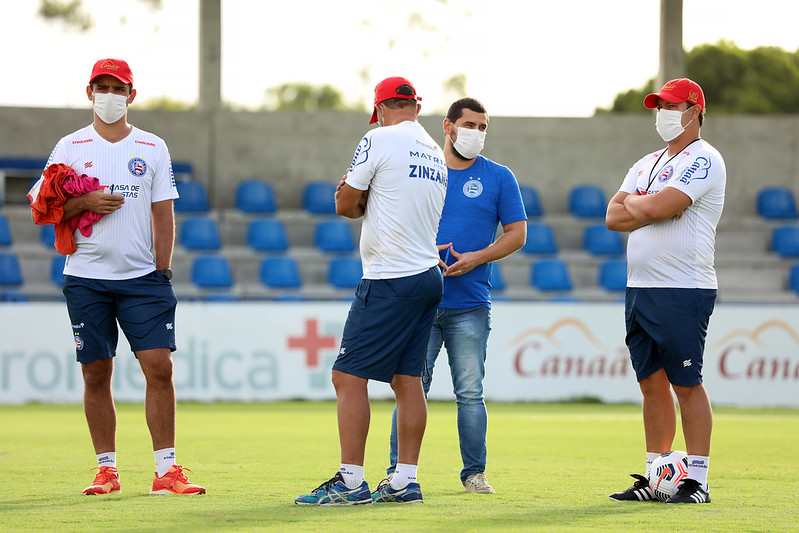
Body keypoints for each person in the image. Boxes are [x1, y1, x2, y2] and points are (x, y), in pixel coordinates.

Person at [28, 59, 205, 496]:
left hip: (143, 278)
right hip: (86, 278)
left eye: (118, 87)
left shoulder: (152, 146)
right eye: (102, 87)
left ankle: (167, 471)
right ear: (90, 92)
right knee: (95, 372)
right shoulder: (70, 145)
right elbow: (41, 209)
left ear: (131, 94)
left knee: (159, 367)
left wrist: (162, 271)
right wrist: (83, 200)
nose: (110, 95)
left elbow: (164, 213)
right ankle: (106, 470)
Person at [295, 76, 446, 506]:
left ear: (380, 109)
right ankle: (404, 481)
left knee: (346, 376)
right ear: (415, 106)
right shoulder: (435, 152)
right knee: (407, 380)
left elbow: (345, 205)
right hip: (426, 275)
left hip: (388, 276)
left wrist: (351, 192)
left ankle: (351, 482)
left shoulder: (378, 139)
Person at [380, 97, 527, 494]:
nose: (476, 133)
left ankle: (474, 474)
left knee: (470, 392)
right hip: (420, 302)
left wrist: (477, 258)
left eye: (483, 127)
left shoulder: (499, 177)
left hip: (471, 304)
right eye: (469, 125)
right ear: (447, 126)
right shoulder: (422, 172)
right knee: (411, 386)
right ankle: (399, 473)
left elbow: (517, 234)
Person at [606, 78, 725, 504]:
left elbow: (652, 208)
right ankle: (658, 477)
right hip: (640, 287)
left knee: (686, 383)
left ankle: (697, 480)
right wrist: (649, 204)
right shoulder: (647, 162)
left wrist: (643, 203)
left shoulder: (706, 159)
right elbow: (611, 216)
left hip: (683, 287)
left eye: (672, 105)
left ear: (695, 111)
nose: (663, 114)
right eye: (659, 106)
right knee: (650, 384)